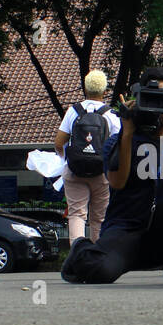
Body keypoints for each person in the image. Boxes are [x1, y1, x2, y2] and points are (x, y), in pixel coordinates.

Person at [60, 67, 163, 284]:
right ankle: (80, 247)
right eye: (158, 97)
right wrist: (128, 131)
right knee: (101, 271)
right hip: (127, 230)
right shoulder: (118, 141)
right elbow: (117, 182)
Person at [55, 69, 123, 244]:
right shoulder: (111, 115)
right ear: (105, 91)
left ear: (85, 88)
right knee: (99, 218)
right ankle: (97, 256)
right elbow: (120, 144)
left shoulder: (74, 111)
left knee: (77, 214)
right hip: (101, 173)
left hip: (75, 171)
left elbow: (59, 142)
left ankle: (77, 257)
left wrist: (65, 160)